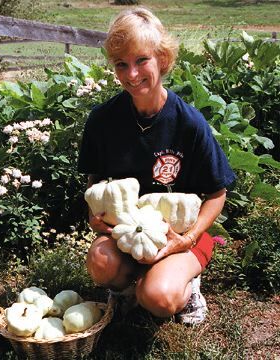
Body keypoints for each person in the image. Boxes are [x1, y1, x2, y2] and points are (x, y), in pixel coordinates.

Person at [78, 7, 236, 325]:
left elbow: (217, 193)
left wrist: (187, 238)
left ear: (162, 58)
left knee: (159, 298)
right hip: (130, 233)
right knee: (100, 262)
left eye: (141, 60)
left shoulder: (189, 123)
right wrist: (94, 216)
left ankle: (184, 287)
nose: (132, 75)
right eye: (122, 64)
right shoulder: (102, 120)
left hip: (181, 234)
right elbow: (95, 182)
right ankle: (126, 288)